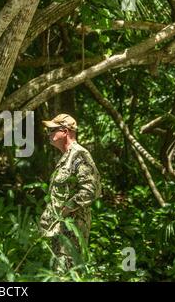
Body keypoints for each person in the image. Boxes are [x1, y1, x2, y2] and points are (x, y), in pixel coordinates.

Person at [39, 114, 101, 269]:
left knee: (66, 273)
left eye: (52, 130)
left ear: (65, 131)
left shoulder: (79, 154)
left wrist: (67, 208)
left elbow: (91, 189)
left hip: (73, 228)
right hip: (61, 228)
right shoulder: (66, 157)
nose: (49, 134)